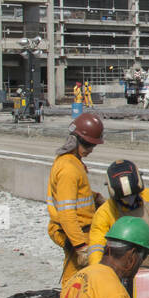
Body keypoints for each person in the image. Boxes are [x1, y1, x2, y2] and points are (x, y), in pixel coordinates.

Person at [47, 113, 106, 286]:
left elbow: (76, 194)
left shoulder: (72, 162)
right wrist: (81, 247)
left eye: (93, 146)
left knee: (82, 279)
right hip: (74, 232)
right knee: (75, 281)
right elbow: (67, 214)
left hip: (78, 230)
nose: (91, 150)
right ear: (76, 140)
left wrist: (95, 198)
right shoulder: (68, 170)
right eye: (88, 145)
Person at [89, 159, 149, 268]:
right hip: (123, 270)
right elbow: (96, 247)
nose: (130, 200)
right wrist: (99, 271)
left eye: (133, 195)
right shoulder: (105, 213)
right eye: (124, 198)